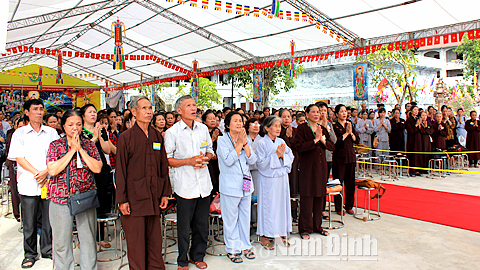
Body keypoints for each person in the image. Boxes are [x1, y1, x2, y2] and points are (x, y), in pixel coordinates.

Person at [115, 96, 172, 270]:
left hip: (153, 195)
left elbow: (163, 164)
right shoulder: (126, 137)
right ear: (133, 112)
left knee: (154, 239)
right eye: (144, 108)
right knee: (137, 242)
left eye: (150, 108)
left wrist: (164, 193)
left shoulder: (156, 135)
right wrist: (122, 200)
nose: (149, 112)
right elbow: (121, 170)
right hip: (134, 198)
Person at [46, 109, 102, 270]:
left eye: (78, 124)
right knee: (61, 241)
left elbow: (97, 168)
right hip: (60, 198)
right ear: (63, 126)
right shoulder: (55, 145)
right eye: (70, 125)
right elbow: (52, 170)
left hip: (85, 197)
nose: (75, 128)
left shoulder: (89, 144)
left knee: (88, 239)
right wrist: (71, 151)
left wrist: (81, 150)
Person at [7, 99, 59, 268]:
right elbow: (19, 158)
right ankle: (30, 253)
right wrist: (37, 173)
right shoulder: (19, 133)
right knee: (28, 222)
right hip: (29, 183)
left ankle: (47, 249)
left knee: (48, 220)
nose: (39, 112)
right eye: (35, 109)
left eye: (41, 109)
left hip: (48, 182)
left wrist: (45, 172)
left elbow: (56, 154)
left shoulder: (51, 132)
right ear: (27, 112)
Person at [165, 95, 213, 270]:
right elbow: (167, 159)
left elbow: (210, 150)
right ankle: (182, 260)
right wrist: (189, 161)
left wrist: (205, 159)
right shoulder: (172, 132)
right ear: (179, 111)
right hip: (185, 186)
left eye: (194, 105)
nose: (193, 108)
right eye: (188, 106)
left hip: (203, 185)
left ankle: (197, 255)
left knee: (202, 225)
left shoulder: (203, 129)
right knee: (184, 228)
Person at [217, 111, 257, 263]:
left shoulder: (245, 138)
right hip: (230, 186)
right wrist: (239, 143)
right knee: (231, 219)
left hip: (246, 185)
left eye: (241, 120)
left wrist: (244, 143)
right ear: (227, 125)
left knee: (245, 218)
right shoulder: (222, 141)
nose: (239, 123)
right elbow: (228, 161)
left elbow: (252, 160)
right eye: (235, 121)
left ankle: (245, 246)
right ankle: (233, 249)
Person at [293, 104, 334, 239]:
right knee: (307, 198)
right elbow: (298, 147)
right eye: (314, 112)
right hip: (307, 168)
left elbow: (331, 146)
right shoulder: (302, 128)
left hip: (321, 168)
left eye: (319, 112)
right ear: (307, 113)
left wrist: (322, 140)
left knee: (319, 197)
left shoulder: (322, 128)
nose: (317, 114)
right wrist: (315, 140)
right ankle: (305, 229)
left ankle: (318, 226)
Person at [256, 115, 293, 249]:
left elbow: (290, 156)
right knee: (269, 206)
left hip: (281, 179)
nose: (278, 129)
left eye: (279, 126)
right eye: (275, 126)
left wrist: (282, 156)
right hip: (268, 181)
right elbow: (260, 164)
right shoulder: (261, 143)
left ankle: (279, 234)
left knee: (281, 206)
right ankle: (266, 237)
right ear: (267, 128)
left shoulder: (281, 141)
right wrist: (276, 156)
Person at [332, 104, 359, 216]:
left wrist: (351, 132)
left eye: (345, 111)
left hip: (350, 157)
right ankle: (338, 207)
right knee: (338, 183)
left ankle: (349, 206)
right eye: (341, 111)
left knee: (350, 183)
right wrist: (346, 133)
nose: (344, 113)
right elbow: (336, 142)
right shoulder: (334, 126)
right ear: (337, 114)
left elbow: (357, 140)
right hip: (339, 158)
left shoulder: (350, 124)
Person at [316, 102, 337, 220]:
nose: (323, 113)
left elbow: (333, 140)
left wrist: (327, 127)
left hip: (327, 158)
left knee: (324, 183)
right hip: (315, 158)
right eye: (320, 110)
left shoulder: (329, 124)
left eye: (325, 110)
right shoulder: (312, 125)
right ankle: (315, 208)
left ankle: (322, 209)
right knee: (316, 184)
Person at [245, 117, 261, 223]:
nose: (256, 126)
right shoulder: (243, 139)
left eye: (258, 124)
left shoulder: (263, 140)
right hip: (246, 173)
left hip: (258, 172)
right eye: (253, 124)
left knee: (258, 197)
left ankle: (257, 221)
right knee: (246, 196)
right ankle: (247, 222)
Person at [202, 110, 222, 194]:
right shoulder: (201, 132)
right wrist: (212, 140)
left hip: (217, 163)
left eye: (214, 119)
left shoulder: (217, 131)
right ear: (204, 121)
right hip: (207, 163)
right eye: (210, 119)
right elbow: (201, 147)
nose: (213, 121)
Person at [406, 106, 423, 176]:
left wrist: (420, 125)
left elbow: (420, 130)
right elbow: (410, 130)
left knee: (418, 154)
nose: (416, 111)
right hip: (412, 140)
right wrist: (416, 125)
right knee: (412, 155)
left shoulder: (417, 119)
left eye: (417, 110)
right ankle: (412, 171)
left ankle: (417, 170)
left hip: (418, 139)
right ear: (411, 111)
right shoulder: (409, 120)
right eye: (415, 110)